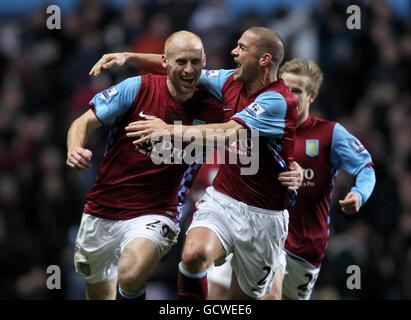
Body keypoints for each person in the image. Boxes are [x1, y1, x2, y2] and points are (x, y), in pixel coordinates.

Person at [93, 27, 300, 299]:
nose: (233, 52)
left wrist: (167, 130)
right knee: (193, 255)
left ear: (263, 59)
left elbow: (228, 130)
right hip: (224, 199)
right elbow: (181, 67)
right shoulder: (230, 80)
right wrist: (129, 56)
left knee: (245, 299)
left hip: (265, 216)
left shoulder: (278, 101)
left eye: (242, 48)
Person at [66, 30, 226, 300]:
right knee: (98, 291)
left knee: (129, 274)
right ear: (164, 62)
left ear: (205, 61)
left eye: (196, 63)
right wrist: (75, 148)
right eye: (181, 62)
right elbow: (82, 122)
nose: (189, 70)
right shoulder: (137, 87)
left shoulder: (216, 101)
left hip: (159, 211)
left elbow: (247, 126)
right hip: (102, 208)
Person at [206, 58, 376, 300]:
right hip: (262, 229)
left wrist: (359, 194)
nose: (288, 95)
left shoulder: (330, 134)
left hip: (307, 244)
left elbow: (366, 168)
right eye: (284, 88)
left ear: (312, 97)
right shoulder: (261, 122)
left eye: (296, 91)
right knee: (261, 294)